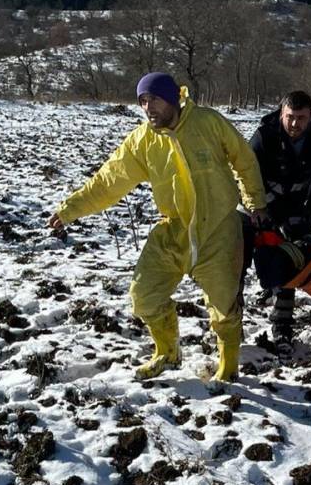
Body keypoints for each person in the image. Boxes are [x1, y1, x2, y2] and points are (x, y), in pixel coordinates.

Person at [48, 72, 267, 386]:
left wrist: (255, 202)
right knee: (143, 296)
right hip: (174, 230)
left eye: (154, 99)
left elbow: (244, 159)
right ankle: (167, 352)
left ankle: (229, 366)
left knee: (224, 305)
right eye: (142, 101)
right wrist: (69, 209)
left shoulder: (208, 123)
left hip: (218, 228)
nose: (148, 107)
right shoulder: (142, 141)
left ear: (174, 98)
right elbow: (109, 181)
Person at [247, 90, 311, 354]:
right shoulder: (264, 136)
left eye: (301, 118)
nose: (294, 124)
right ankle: (282, 325)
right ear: (281, 113)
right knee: (283, 260)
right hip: (270, 205)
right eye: (289, 117)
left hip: (309, 202)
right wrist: (268, 212)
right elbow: (250, 178)